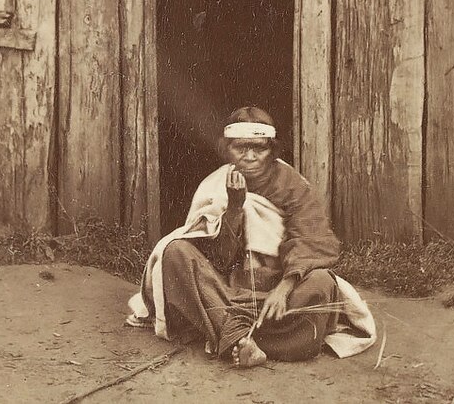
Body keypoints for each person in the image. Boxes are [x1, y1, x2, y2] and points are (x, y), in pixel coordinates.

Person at [127, 107, 375, 367]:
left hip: (277, 294)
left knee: (322, 282)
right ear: (226, 149)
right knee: (174, 252)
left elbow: (313, 239)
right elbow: (215, 260)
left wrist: (284, 287)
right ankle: (245, 340)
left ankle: (228, 335)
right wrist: (234, 207)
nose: (250, 157)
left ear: (273, 149)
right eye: (240, 148)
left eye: (259, 148)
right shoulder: (214, 185)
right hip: (226, 291)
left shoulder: (293, 184)